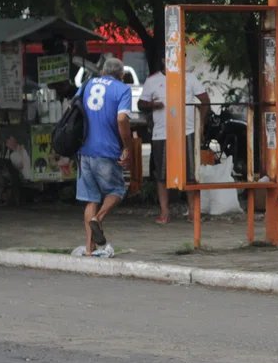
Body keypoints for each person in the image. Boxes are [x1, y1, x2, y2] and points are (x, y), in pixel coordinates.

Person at [139, 60, 209, 224]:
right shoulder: (153, 80)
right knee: (162, 176)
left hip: (187, 131)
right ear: (164, 59)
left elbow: (205, 101)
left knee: (190, 174)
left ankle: (192, 212)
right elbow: (140, 104)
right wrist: (152, 105)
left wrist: (201, 124)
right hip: (162, 133)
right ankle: (165, 212)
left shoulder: (190, 78)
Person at [77, 58, 133, 256]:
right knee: (117, 189)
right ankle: (98, 219)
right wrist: (127, 147)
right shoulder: (122, 89)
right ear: (122, 75)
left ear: (102, 72)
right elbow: (121, 118)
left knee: (90, 198)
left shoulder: (87, 84)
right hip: (107, 150)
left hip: (84, 149)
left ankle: (89, 250)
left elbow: (72, 109)